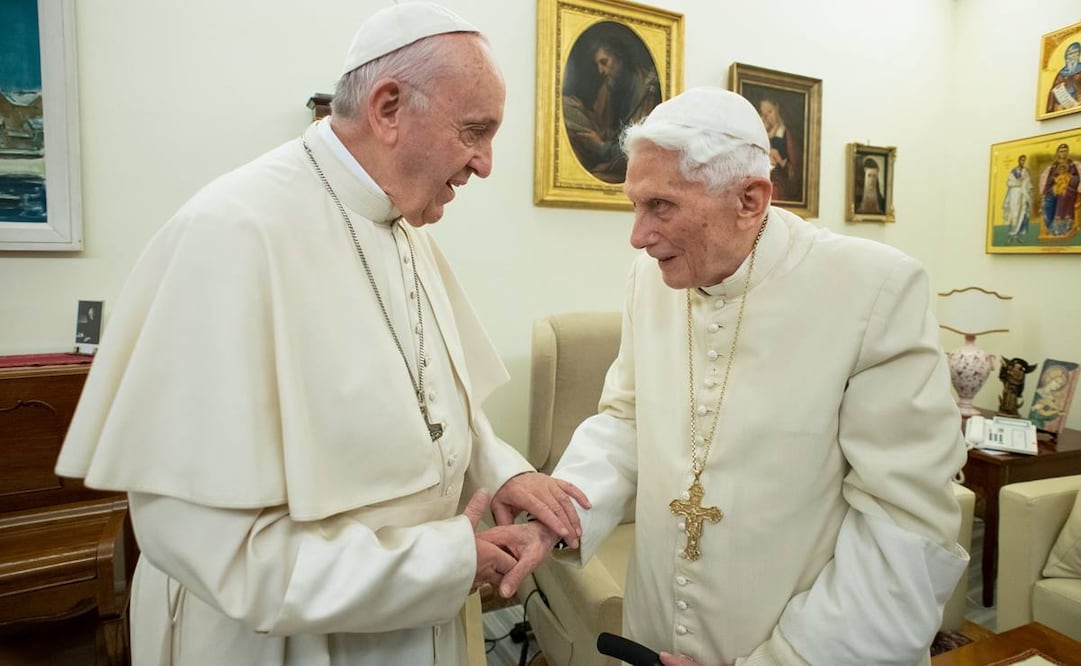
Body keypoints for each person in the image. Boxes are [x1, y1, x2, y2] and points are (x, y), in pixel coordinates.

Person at [53, 4, 586, 665]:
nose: (484, 165)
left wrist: (503, 471)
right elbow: (212, 549)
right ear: (388, 108)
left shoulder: (398, 224)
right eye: (474, 132)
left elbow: (435, 404)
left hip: (419, 620)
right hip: (289, 643)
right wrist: (444, 562)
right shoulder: (231, 233)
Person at [513, 87, 969, 665]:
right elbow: (626, 420)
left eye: (660, 206)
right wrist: (559, 518)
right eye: (634, 205)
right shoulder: (647, 279)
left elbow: (906, 530)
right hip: (655, 632)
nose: (638, 235)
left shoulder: (873, 291)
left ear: (749, 199)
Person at [563, 35, 661, 183]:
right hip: (611, 156)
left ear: (620, 58)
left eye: (604, 62)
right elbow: (605, 129)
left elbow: (639, 146)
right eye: (598, 66)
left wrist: (601, 147)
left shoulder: (645, 90)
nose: (601, 70)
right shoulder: (608, 86)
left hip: (627, 163)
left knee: (596, 176)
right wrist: (583, 111)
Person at [757, 97, 801, 201]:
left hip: (782, 184)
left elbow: (795, 167)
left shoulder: (788, 134)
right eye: (765, 115)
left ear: (777, 107)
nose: (768, 118)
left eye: (770, 111)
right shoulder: (766, 132)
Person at [1039, 142, 1080, 237]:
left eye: (1065, 151)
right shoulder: (1054, 165)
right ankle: (1050, 227)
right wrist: (1046, 192)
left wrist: (1068, 180)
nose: (1063, 153)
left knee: (1063, 196)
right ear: (1058, 153)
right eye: (1061, 151)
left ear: (1068, 152)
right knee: (1047, 202)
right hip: (1055, 188)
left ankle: (1064, 228)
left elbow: (1076, 178)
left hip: (1068, 189)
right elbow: (1050, 179)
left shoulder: (1071, 164)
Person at [1002, 154, 1033, 243]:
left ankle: (1017, 234)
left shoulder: (1026, 171)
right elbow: (1009, 182)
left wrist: (1028, 187)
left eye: (1024, 160)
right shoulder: (1013, 171)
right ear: (1019, 161)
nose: (1023, 162)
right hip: (1014, 194)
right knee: (1014, 214)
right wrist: (1019, 182)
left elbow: (1028, 182)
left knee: (1022, 213)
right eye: (1022, 160)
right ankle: (1011, 234)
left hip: (1023, 194)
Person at [1046, 41, 1081, 113]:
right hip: (1062, 107)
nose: (1074, 56)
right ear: (1066, 56)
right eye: (1071, 53)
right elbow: (1052, 92)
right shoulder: (1061, 74)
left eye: (1076, 53)